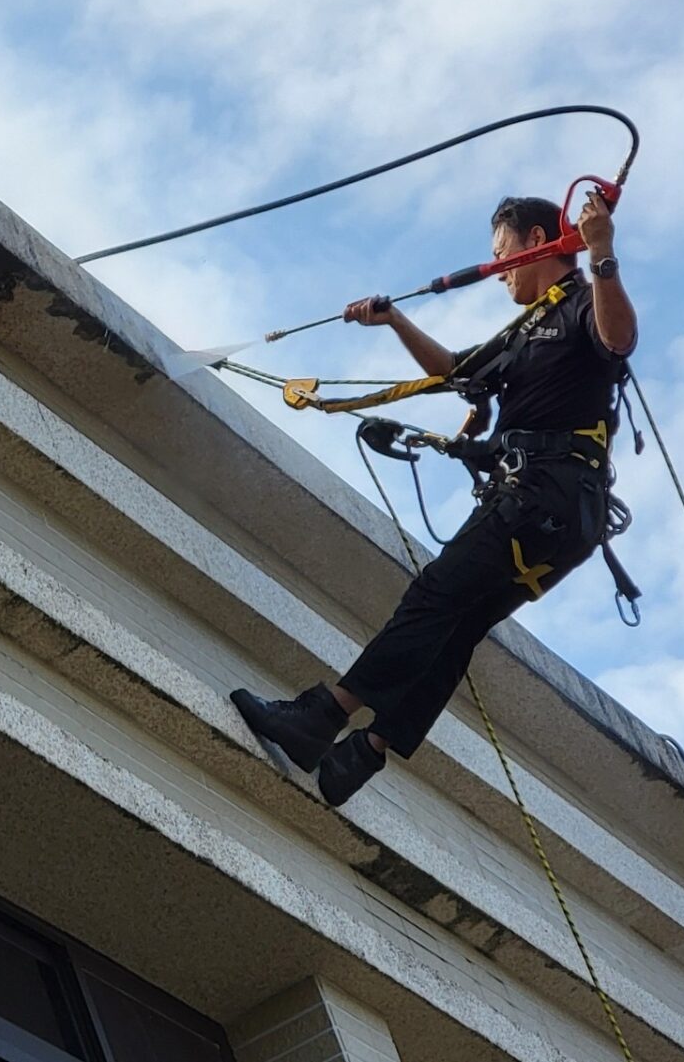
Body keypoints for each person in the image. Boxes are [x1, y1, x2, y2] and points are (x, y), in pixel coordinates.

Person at [231, 191, 637, 805]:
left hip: (545, 495)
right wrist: (393, 320)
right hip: (559, 513)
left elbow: (619, 340)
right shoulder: (524, 330)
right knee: (459, 622)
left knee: (434, 595)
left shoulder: (581, 303)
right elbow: (453, 369)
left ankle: (319, 718)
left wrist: (602, 254)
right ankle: (362, 757)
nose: (499, 272)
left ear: (537, 242)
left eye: (504, 256)